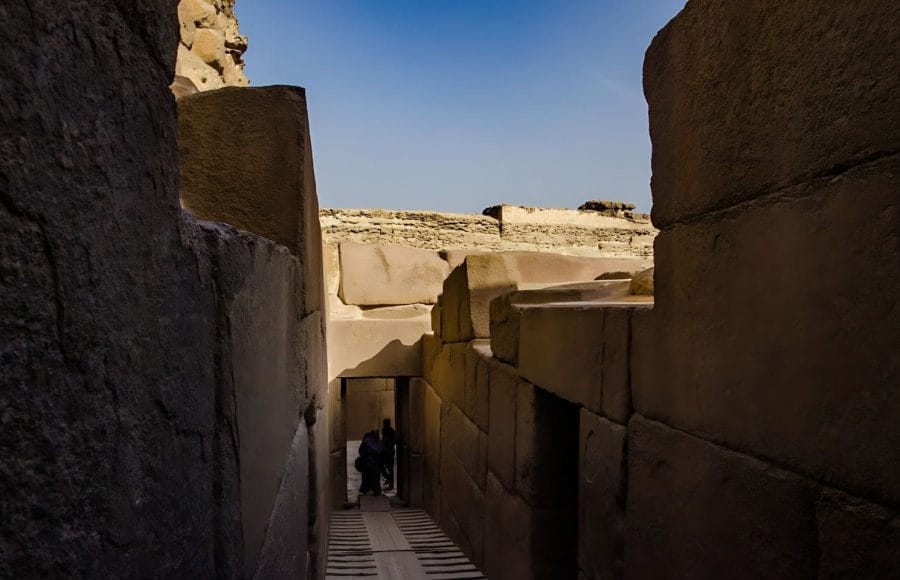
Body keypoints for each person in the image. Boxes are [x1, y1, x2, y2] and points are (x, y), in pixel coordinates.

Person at [357, 430, 384, 496]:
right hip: (369, 463)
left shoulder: (377, 442)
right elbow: (362, 451)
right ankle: (371, 490)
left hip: (373, 463)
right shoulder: (367, 441)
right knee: (371, 477)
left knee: (372, 478)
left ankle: (372, 490)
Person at [380, 418, 396, 491]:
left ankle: (390, 481)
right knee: (388, 468)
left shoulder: (390, 431)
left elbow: (393, 441)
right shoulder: (387, 430)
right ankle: (389, 480)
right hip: (388, 452)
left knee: (387, 467)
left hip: (388, 452)